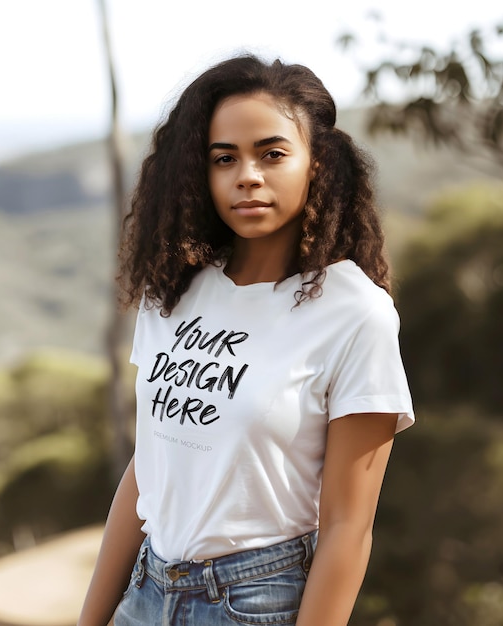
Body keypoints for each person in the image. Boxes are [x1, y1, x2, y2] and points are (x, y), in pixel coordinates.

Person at [78, 55, 414, 626]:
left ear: (317, 163)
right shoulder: (173, 293)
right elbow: (149, 469)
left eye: (273, 153)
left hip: (254, 604)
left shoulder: (355, 313)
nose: (247, 175)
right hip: (144, 592)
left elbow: (347, 530)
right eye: (224, 158)